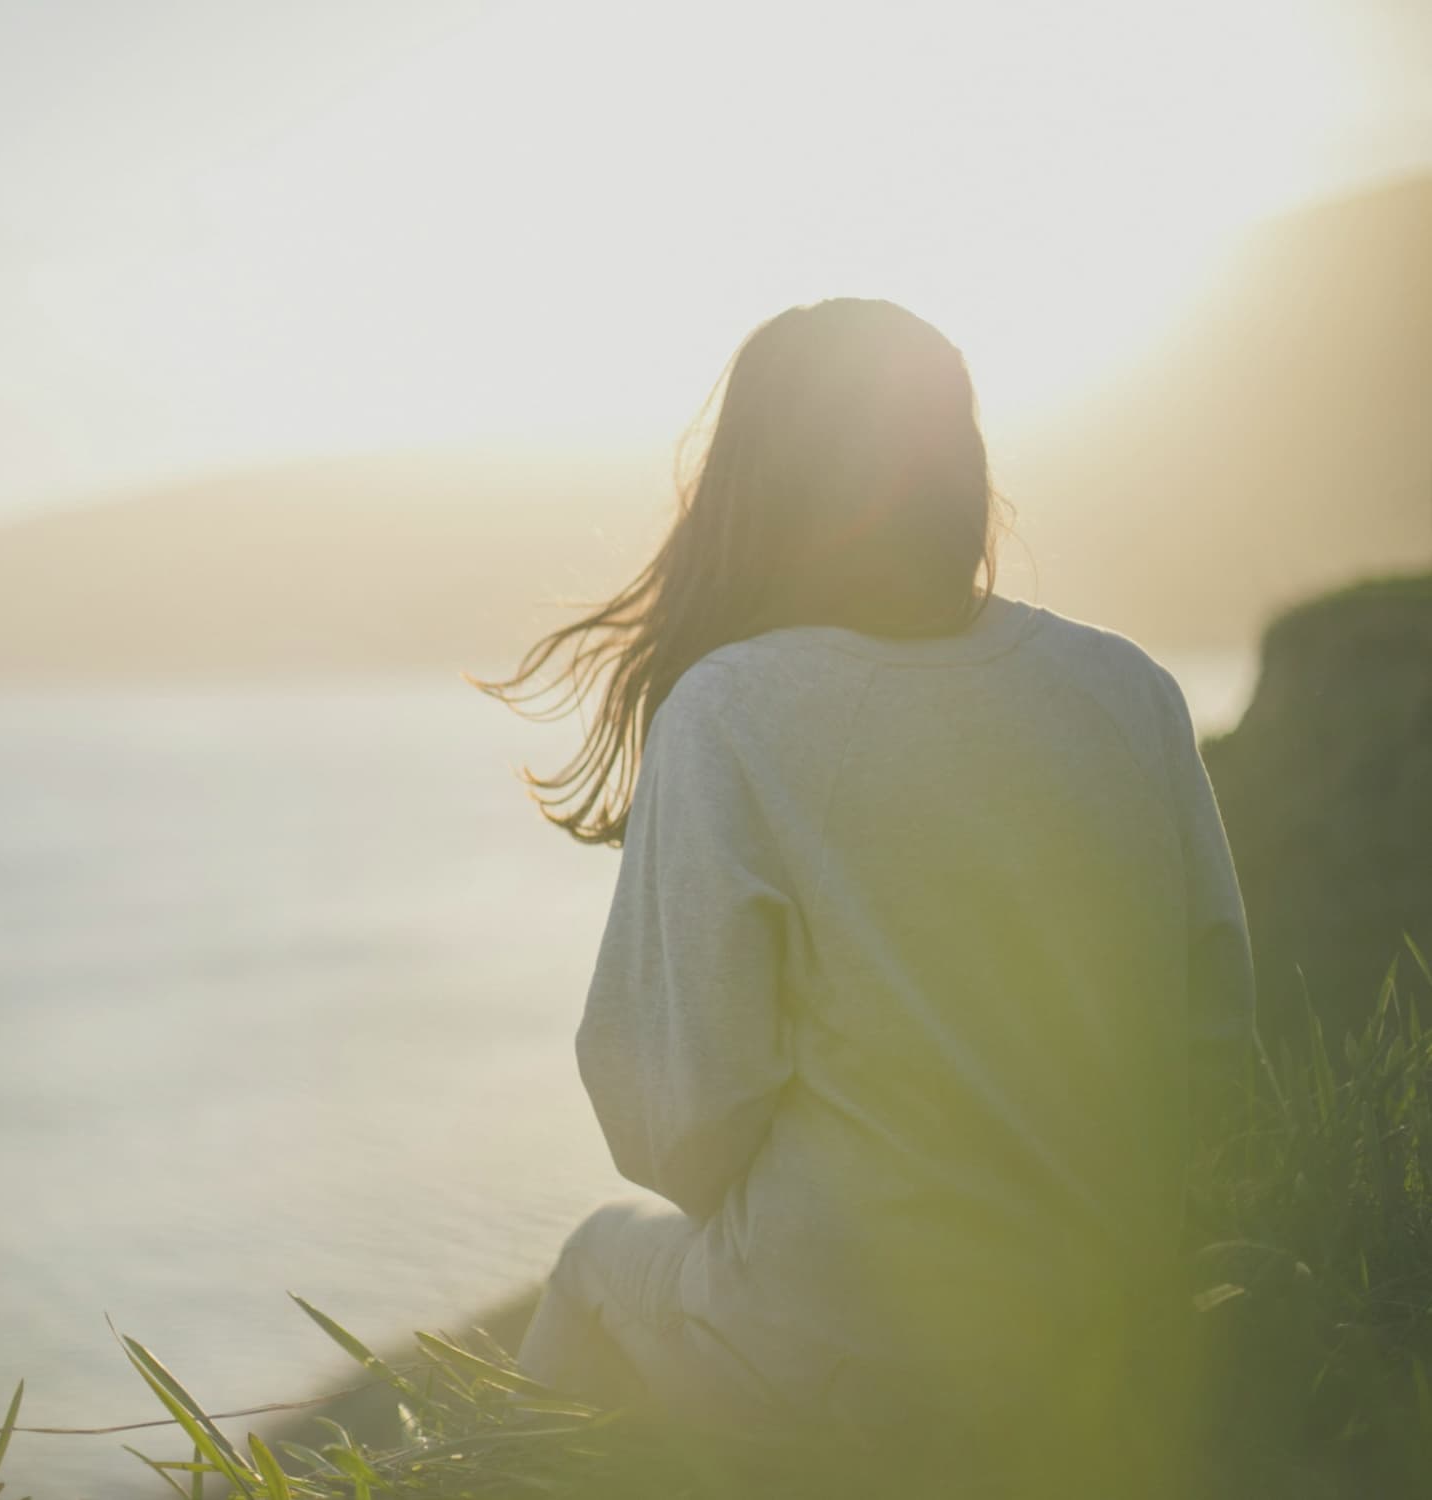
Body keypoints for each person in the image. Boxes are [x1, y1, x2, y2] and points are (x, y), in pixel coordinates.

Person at [465, 298, 1256, 1472]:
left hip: (860, 1352)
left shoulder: (731, 710)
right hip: (1111, 1324)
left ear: (752, 485)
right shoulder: (1128, 687)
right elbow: (1215, 1036)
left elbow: (676, 1127)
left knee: (594, 1263)